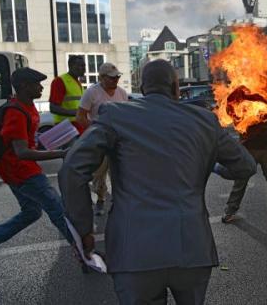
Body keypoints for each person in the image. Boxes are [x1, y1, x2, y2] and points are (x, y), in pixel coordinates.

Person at [59, 59, 256, 304]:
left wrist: (83, 230)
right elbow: (245, 166)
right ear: (176, 87)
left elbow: (72, 169)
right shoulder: (205, 120)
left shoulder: (115, 115)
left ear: (142, 89)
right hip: (193, 249)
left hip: (134, 253)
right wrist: (213, 165)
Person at [0, 68, 72, 266]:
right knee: (59, 211)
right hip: (21, 172)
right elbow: (22, 152)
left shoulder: (27, 106)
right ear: (24, 86)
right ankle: (85, 254)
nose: (41, 87)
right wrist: (61, 153)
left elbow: (27, 143)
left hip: (17, 170)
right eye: (37, 83)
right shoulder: (15, 112)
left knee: (31, 213)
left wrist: (50, 141)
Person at [222, 83, 267, 223]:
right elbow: (230, 113)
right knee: (240, 180)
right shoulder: (239, 92)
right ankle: (230, 210)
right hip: (247, 146)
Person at [76, 62, 128, 216]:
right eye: (112, 78)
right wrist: (94, 128)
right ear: (102, 77)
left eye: (117, 77)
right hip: (100, 140)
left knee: (119, 172)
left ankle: (118, 201)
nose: (115, 80)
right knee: (99, 174)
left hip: (118, 140)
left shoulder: (122, 93)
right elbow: (80, 116)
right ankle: (100, 198)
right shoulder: (92, 93)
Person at [49, 55, 85, 129]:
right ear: (70, 66)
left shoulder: (77, 82)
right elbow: (53, 108)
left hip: (77, 125)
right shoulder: (59, 81)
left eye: (84, 65)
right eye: (80, 65)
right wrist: (76, 113)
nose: (83, 68)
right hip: (65, 126)